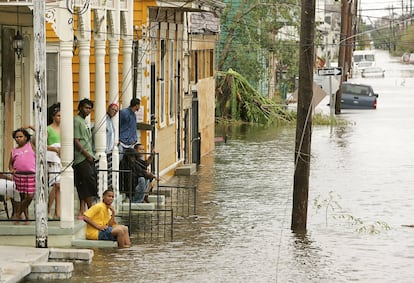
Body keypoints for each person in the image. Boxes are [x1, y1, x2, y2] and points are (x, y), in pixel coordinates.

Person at [73, 98, 98, 220]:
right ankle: (90, 208)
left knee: (89, 182)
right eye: (86, 107)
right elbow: (76, 140)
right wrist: (85, 153)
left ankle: (83, 210)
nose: (88, 110)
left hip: (89, 156)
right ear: (80, 107)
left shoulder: (85, 121)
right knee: (86, 182)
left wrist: (91, 154)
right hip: (81, 158)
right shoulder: (77, 121)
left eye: (89, 108)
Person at [8, 127, 36, 224]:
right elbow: (10, 164)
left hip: (31, 175)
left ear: (26, 137)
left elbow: (40, 135)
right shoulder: (14, 151)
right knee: (23, 197)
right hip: (19, 176)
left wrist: (30, 127)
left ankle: (18, 213)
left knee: (30, 196)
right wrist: (12, 170)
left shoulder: (31, 145)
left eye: (21, 136)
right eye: (16, 137)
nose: (18, 139)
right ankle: (26, 217)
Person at [47, 103, 62, 220]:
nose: (60, 118)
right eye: (58, 116)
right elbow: (41, 144)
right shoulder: (48, 129)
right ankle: (48, 209)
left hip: (61, 158)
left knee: (59, 186)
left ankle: (58, 211)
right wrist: (53, 148)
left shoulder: (63, 129)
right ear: (53, 117)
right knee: (55, 184)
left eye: (61, 116)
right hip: (52, 158)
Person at [106, 103, 119, 189]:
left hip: (110, 151)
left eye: (116, 111)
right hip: (105, 150)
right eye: (113, 109)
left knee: (109, 173)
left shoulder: (111, 121)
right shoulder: (105, 119)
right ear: (108, 109)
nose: (114, 112)